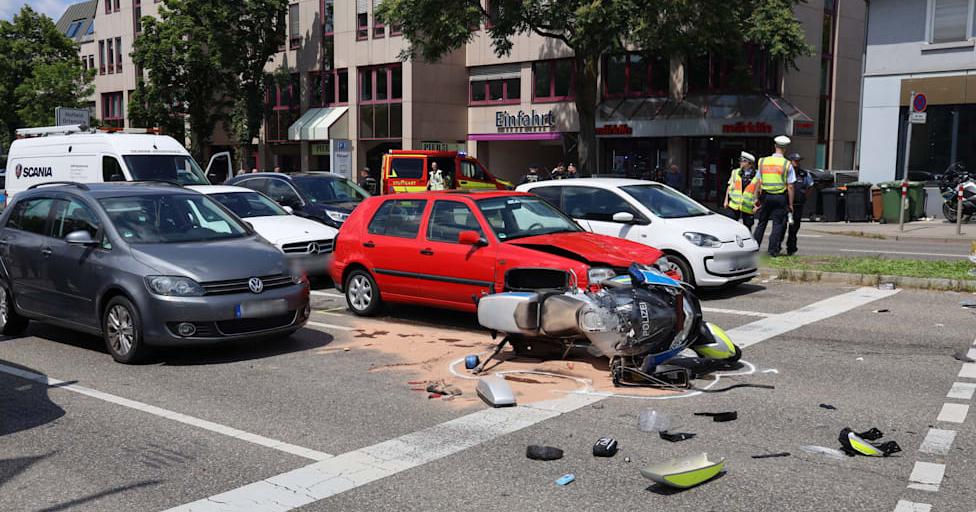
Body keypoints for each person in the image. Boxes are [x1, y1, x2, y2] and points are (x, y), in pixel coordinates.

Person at [752, 135, 797, 257]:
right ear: (786, 148)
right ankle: (772, 251)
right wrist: (791, 204)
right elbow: (791, 186)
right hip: (780, 197)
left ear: (775, 146)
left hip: (765, 197)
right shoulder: (787, 164)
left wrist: (756, 198)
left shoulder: (762, 161)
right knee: (777, 224)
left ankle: (754, 248)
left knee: (762, 223)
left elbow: (757, 182)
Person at [785, 152, 814, 256]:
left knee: (794, 228)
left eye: (799, 161)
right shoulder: (785, 172)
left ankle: (791, 248)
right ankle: (777, 246)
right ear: (790, 162)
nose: (798, 162)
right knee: (782, 227)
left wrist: (805, 196)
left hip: (798, 204)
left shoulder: (804, 174)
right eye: (795, 160)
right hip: (785, 203)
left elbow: (810, 185)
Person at [723, 151, 758, 230]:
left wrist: (758, 205)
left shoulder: (757, 175)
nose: (740, 162)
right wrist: (726, 201)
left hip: (748, 206)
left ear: (749, 163)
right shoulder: (735, 172)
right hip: (734, 204)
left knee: (747, 227)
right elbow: (729, 186)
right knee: (731, 226)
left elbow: (760, 191)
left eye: (742, 161)